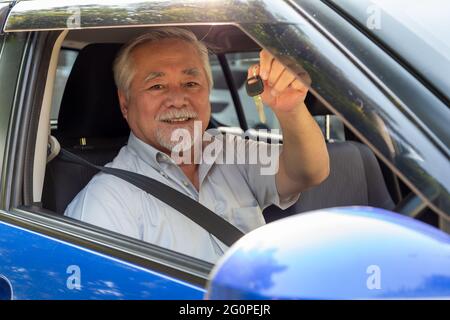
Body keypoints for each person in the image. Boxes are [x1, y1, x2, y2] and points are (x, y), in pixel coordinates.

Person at [65, 27, 329, 263]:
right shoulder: (106, 203)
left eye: (191, 83)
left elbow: (307, 171)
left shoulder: (231, 152)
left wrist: (291, 109)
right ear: (125, 104)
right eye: (157, 86)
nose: (178, 99)